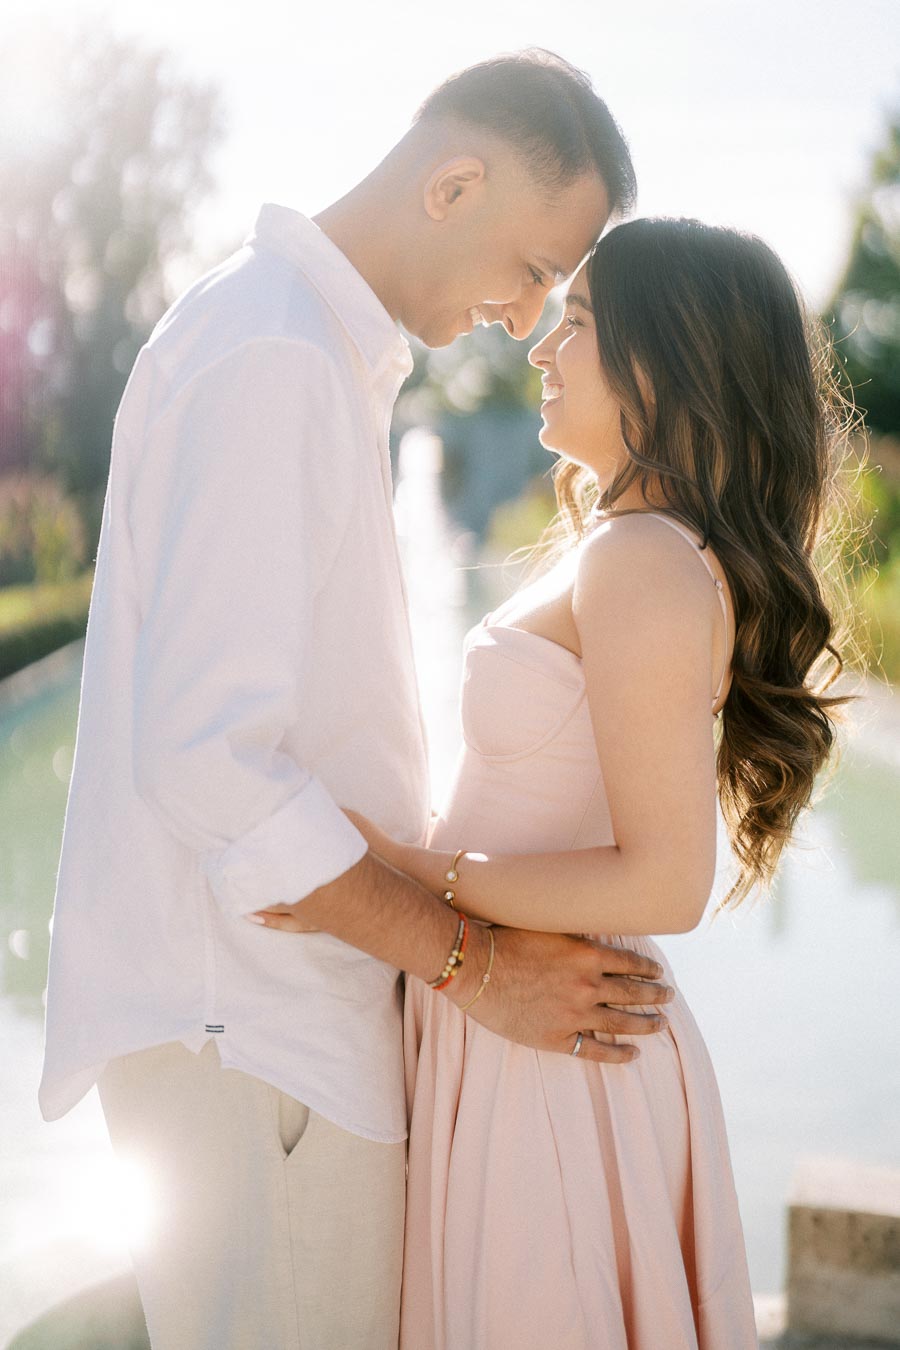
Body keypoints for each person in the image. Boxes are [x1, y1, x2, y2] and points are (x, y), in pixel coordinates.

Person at [38, 52, 675, 1350]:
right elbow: (214, 764)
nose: (527, 313)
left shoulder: (298, 346)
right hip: (257, 1044)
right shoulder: (274, 355)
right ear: (455, 183)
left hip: (272, 1043)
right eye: (538, 266)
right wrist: (473, 966)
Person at [259, 218, 856, 1347]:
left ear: (663, 361)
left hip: (551, 1052)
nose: (540, 347)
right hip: (531, 1025)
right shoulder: (637, 551)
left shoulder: (642, 562)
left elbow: (667, 881)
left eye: (575, 323)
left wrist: (393, 870)